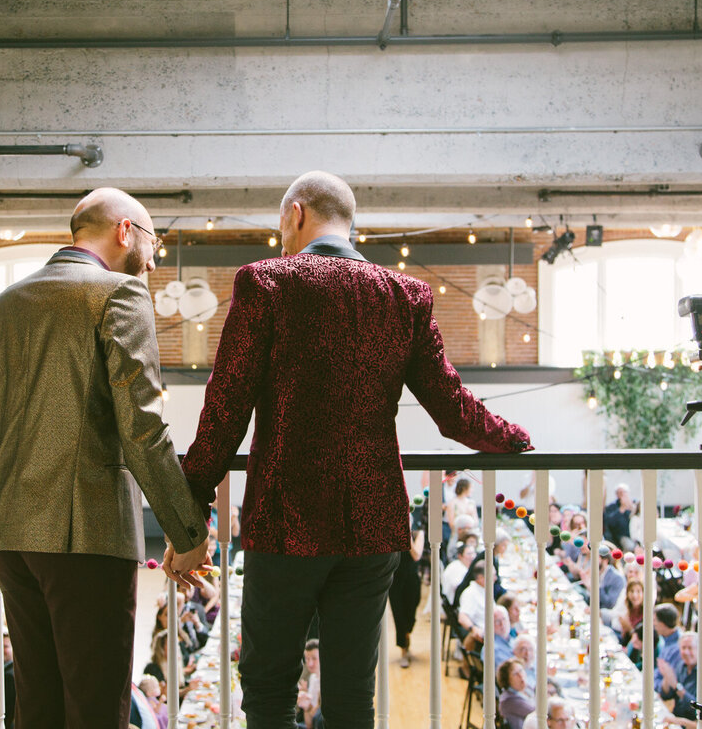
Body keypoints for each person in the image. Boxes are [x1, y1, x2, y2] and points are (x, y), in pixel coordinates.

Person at [180, 170, 531, 728]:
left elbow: (225, 411)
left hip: (284, 522)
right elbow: (452, 409)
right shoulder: (405, 295)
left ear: (296, 213)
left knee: (269, 690)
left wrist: (190, 509)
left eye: (281, 224)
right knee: (351, 700)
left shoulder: (265, 282)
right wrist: (516, 439)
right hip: (370, 528)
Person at [0, 189, 211, 729]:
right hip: (87, 537)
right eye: (152, 244)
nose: (153, 260)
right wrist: (189, 532)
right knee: (97, 709)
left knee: (39, 707)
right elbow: (143, 430)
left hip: (12, 535)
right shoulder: (120, 295)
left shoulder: (3, 304)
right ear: (125, 231)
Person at [388, 507, 426, 667]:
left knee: (411, 615)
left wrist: (406, 535)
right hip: (395, 581)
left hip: (412, 581)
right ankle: (404, 650)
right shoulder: (391, 534)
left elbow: (416, 555)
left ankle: (407, 637)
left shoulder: (418, 534)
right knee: (399, 616)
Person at [657, 632, 700, 727]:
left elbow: (696, 708)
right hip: (674, 720)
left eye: (690, 648)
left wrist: (676, 686)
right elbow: (666, 696)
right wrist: (666, 677)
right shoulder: (681, 665)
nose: (686, 652)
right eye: (683, 648)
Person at [496, 659, 535, 729]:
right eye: (515, 674)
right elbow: (539, 713)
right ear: (507, 680)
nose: (521, 675)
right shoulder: (509, 700)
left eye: (521, 670)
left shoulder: (525, 688)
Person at [603, 484, 635, 550]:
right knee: (630, 546)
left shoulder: (633, 504)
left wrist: (632, 507)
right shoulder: (612, 506)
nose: (622, 495)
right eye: (619, 493)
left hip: (635, 533)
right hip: (621, 535)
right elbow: (610, 522)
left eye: (624, 492)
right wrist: (622, 509)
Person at [616, 578, 645, 645]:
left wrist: (629, 628)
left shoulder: (646, 614)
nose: (635, 595)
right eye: (632, 591)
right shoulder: (629, 610)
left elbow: (640, 641)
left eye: (638, 591)